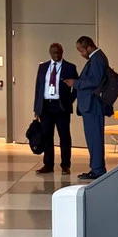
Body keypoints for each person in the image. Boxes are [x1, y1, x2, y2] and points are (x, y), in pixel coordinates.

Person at [65, 36, 111, 180]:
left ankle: (98, 169)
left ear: (89, 47)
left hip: (93, 106)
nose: (81, 54)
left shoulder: (97, 58)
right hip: (90, 106)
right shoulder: (96, 58)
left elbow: (95, 80)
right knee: (92, 139)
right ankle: (95, 167)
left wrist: (75, 83)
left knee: (95, 139)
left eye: (81, 50)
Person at [33, 43, 78, 176]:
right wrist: (36, 107)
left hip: (61, 106)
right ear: (50, 53)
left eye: (59, 52)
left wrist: (70, 100)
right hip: (46, 106)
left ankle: (65, 165)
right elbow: (38, 87)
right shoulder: (43, 67)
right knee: (47, 136)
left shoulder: (70, 67)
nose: (57, 55)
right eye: (54, 53)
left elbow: (76, 86)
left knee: (64, 136)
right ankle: (48, 164)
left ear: (62, 52)